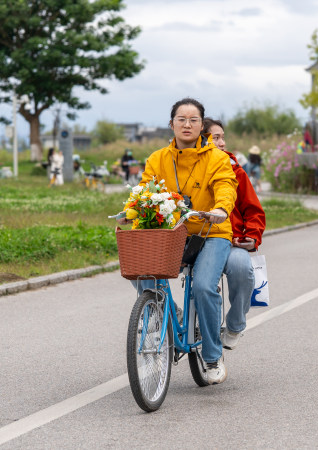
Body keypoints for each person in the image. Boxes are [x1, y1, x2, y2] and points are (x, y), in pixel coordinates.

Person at [119, 98, 236, 384]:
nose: (187, 124)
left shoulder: (217, 158)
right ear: (171, 124)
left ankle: (211, 355)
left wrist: (220, 209)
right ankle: (160, 310)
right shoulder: (158, 158)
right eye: (181, 119)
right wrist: (131, 210)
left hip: (211, 232)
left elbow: (225, 186)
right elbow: (144, 190)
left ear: (202, 126)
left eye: (193, 119)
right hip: (171, 232)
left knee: (205, 287)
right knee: (142, 268)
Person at [202, 118, 265, 351]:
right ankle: (175, 316)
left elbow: (254, 210)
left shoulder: (236, 170)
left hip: (231, 241)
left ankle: (236, 324)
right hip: (192, 241)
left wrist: (252, 235)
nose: (221, 142)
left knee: (241, 268)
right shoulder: (183, 167)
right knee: (144, 269)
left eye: (222, 137)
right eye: (215, 137)